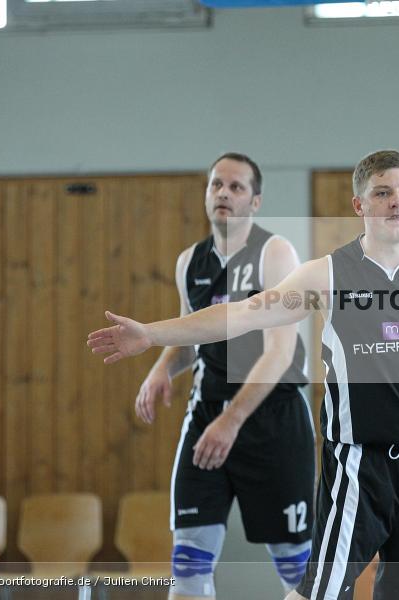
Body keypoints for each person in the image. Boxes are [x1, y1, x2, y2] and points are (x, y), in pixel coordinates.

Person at [89, 149, 399, 600]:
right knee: (318, 592)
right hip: (359, 460)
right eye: (383, 192)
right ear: (360, 205)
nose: (397, 202)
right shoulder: (327, 275)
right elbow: (244, 313)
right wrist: (151, 334)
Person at [136, 152, 316, 599]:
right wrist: (161, 368)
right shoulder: (189, 263)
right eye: (217, 184)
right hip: (208, 414)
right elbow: (190, 335)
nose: (223, 193)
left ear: (255, 202)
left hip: (272, 419)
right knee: (188, 562)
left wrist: (232, 421)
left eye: (236, 187)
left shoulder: (275, 254)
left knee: (297, 567)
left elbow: (281, 351)